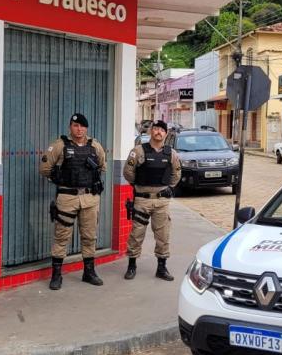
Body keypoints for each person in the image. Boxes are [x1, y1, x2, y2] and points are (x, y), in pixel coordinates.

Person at [39, 113, 107, 290]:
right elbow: (45, 168)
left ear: (86, 128)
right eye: (75, 126)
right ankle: (56, 275)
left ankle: (89, 272)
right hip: (67, 197)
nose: (79, 129)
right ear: (70, 127)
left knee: (89, 236)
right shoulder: (60, 145)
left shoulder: (95, 146)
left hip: (90, 198)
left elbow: (102, 166)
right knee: (62, 236)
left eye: (82, 126)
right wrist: (59, 178)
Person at [122, 120, 181, 281]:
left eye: (162, 130)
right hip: (142, 200)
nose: (158, 132)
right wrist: (138, 184)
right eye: (155, 129)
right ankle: (132, 266)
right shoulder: (138, 151)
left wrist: (169, 187)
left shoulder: (171, 153)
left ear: (166, 134)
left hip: (162, 202)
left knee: (163, 235)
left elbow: (176, 174)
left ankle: (161, 268)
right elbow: (128, 172)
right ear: (151, 131)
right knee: (136, 234)